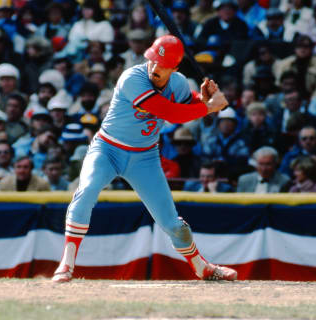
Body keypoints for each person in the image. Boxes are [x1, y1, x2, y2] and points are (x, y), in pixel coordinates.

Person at [52, 35, 237, 283]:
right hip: (107, 149)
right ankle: (66, 264)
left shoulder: (178, 83)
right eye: (151, 60)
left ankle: (201, 267)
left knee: (171, 222)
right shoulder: (132, 78)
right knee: (86, 192)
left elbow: (186, 100)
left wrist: (204, 98)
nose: (154, 67)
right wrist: (209, 107)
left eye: (162, 64)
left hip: (144, 157)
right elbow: (168, 111)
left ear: (174, 68)